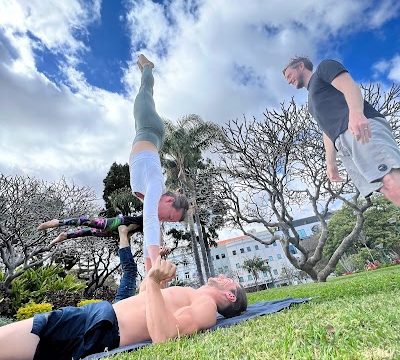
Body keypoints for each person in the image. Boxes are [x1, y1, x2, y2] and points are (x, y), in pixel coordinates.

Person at [0, 225, 247, 360]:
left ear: (230, 296)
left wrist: (152, 283)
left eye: (229, 281)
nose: (224, 276)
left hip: (99, 327)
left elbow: (164, 336)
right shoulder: (190, 293)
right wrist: (155, 280)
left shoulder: (206, 306)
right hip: (96, 318)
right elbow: (143, 296)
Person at [283, 57, 400, 205]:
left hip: (359, 129)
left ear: (300, 66)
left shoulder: (323, 69)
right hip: (343, 143)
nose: (288, 81)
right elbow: (327, 130)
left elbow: (349, 86)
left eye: (289, 75)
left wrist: (356, 113)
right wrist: (330, 164)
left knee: (392, 180)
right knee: (387, 189)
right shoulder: (311, 102)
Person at [130, 54, 189, 272]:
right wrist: (155, 264)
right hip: (149, 128)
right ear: (168, 198)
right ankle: (148, 67)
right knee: (144, 93)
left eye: (169, 221)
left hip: (149, 136)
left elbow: (149, 229)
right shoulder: (156, 183)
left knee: (145, 96)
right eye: (169, 215)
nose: (164, 218)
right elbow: (150, 222)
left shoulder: (150, 194)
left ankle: (146, 69)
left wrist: (149, 271)